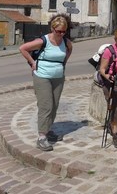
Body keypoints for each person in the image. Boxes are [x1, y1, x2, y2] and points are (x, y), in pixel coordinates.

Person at [19, 14, 73, 151]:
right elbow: (23, 48)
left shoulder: (66, 42)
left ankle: (48, 131)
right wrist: (32, 63)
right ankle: (42, 137)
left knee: (54, 106)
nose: (60, 34)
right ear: (52, 28)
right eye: (58, 31)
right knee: (46, 106)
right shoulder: (43, 41)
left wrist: (63, 64)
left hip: (58, 77)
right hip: (42, 76)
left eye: (63, 31)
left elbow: (69, 50)